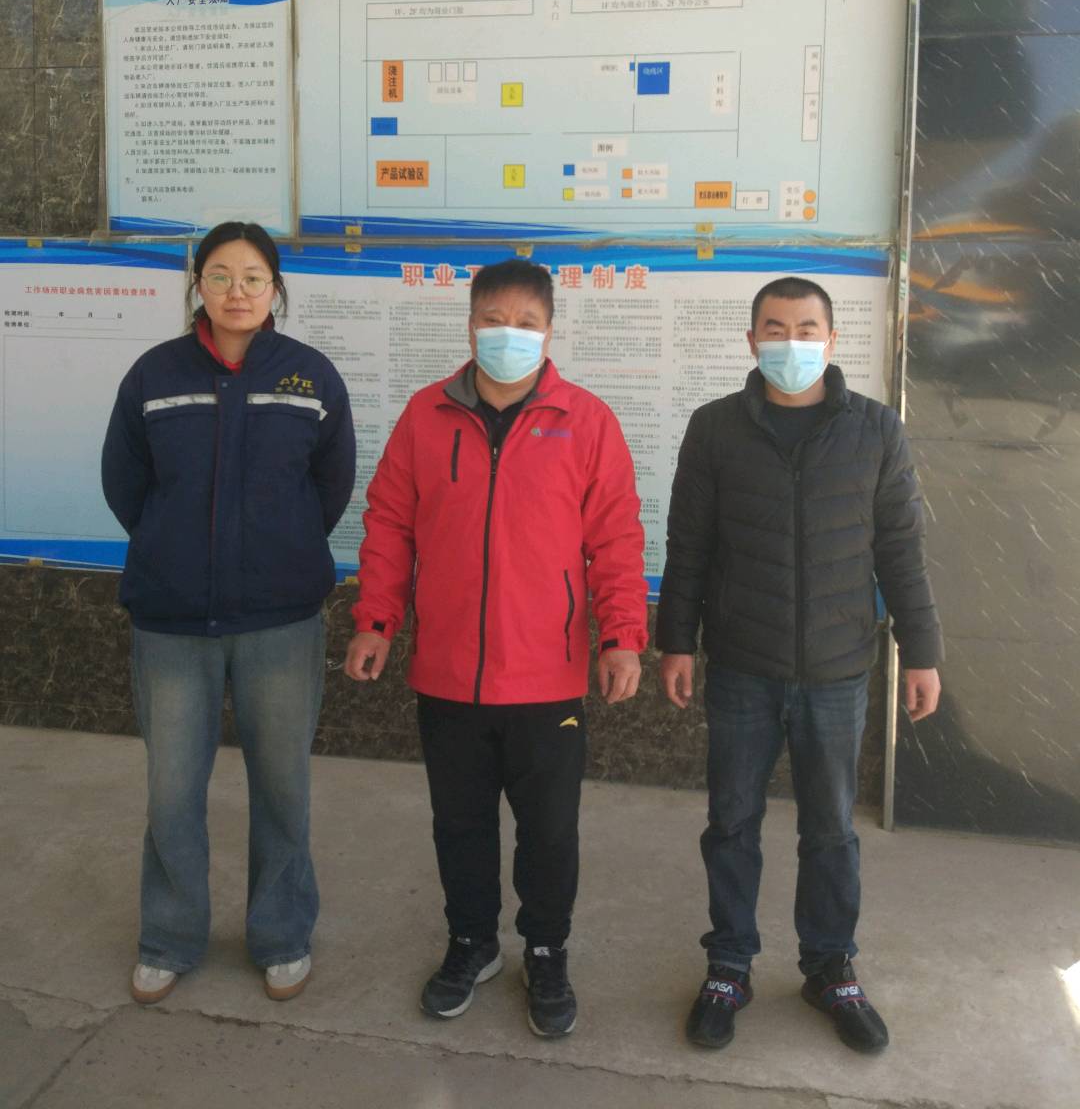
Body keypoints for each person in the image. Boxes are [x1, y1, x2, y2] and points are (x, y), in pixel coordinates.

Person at [346, 259, 647, 1038]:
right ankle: (472, 942)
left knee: (548, 832)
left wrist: (622, 637)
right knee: (460, 824)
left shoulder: (586, 420)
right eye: (493, 319)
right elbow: (389, 523)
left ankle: (546, 950)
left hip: (547, 678)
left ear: (549, 331)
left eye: (525, 322)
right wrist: (376, 619)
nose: (508, 334)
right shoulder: (425, 415)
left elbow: (616, 539)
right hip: (448, 673)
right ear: (470, 323)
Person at [657, 275, 943, 1055]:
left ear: (832, 338)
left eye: (807, 329)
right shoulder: (714, 428)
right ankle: (729, 965)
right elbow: (689, 545)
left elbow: (900, 550)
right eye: (776, 329)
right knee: (731, 824)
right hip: (742, 665)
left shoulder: (875, 429)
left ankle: (829, 967)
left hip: (837, 670)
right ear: (752, 341)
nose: (792, 343)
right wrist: (675, 641)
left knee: (831, 831)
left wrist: (922, 652)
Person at [101, 221, 355, 1006]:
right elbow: (125, 483)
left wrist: (278, 550)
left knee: (282, 786)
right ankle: (169, 936)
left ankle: (281, 934)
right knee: (172, 790)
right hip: (172, 620)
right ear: (197, 286)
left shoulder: (310, 377)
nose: (236, 291)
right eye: (219, 275)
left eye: (252, 277)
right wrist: (173, 544)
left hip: (280, 619)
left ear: (276, 288)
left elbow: (331, 485)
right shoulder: (155, 374)